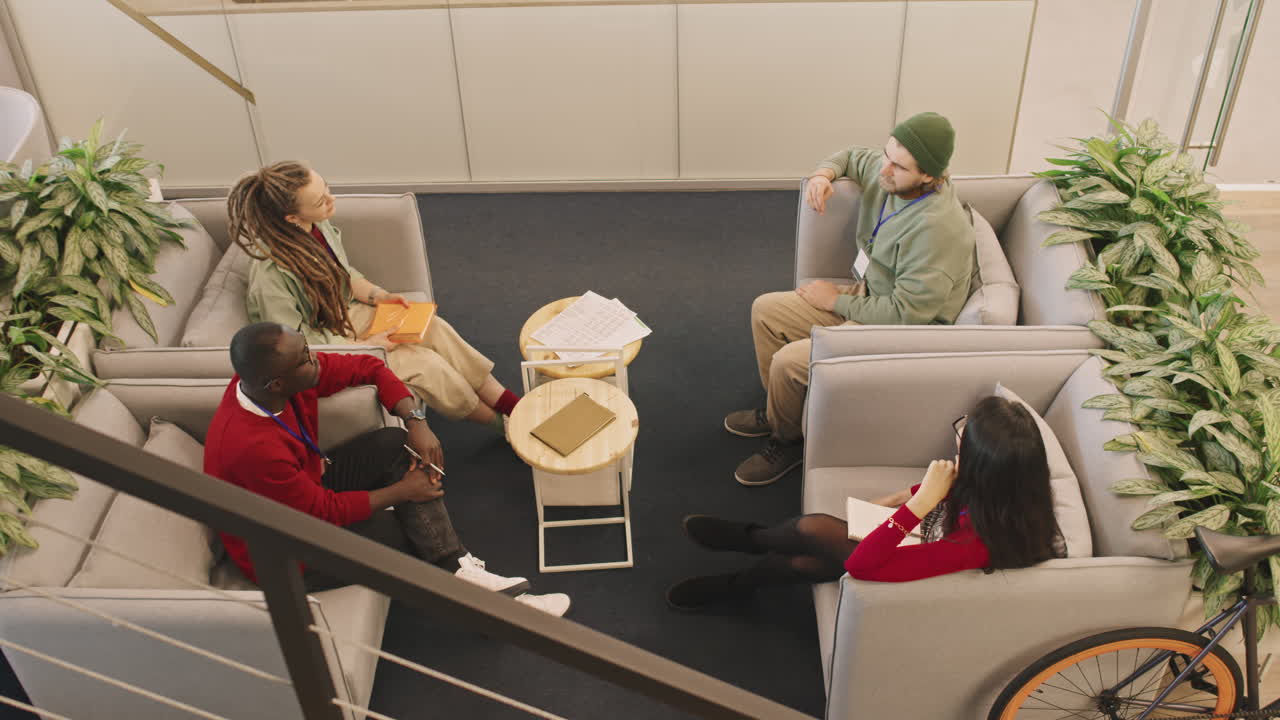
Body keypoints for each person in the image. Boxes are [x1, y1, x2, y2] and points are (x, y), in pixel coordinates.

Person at [204, 322, 570, 616]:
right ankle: (495, 606)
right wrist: (402, 492)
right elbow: (319, 512)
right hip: (283, 548)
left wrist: (415, 420)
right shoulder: (253, 448)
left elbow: (371, 366)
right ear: (278, 383)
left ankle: (460, 569)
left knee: (394, 444)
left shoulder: (275, 382)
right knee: (397, 531)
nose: (315, 359)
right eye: (305, 359)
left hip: (304, 488)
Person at [725, 112, 976, 486]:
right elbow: (851, 156)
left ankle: (788, 440)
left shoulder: (937, 232)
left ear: (929, 176)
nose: (884, 169)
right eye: (887, 154)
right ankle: (781, 414)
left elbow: (906, 315)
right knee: (766, 310)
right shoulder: (890, 172)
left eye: (898, 165)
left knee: (789, 362)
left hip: (902, 330)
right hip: (874, 295)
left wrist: (834, 302)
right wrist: (823, 174)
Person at [668, 396, 1061, 610]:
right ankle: (747, 559)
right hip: (930, 539)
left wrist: (919, 502)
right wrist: (900, 498)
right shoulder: (1005, 488)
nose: (956, 441)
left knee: (811, 533)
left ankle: (747, 550)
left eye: (963, 441)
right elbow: (946, 492)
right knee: (806, 557)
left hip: (926, 583)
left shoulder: (978, 541)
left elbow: (862, 567)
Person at [227, 161, 519, 437]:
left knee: (434, 327)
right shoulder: (269, 277)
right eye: (320, 201)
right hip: (321, 351)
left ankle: (512, 408)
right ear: (292, 217)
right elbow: (295, 347)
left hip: (344, 316)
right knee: (426, 365)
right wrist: (363, 347)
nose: (331, 200)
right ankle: (504, 427)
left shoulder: (317, 226)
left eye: (326, 189)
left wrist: (380, 296)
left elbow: (344, 275)